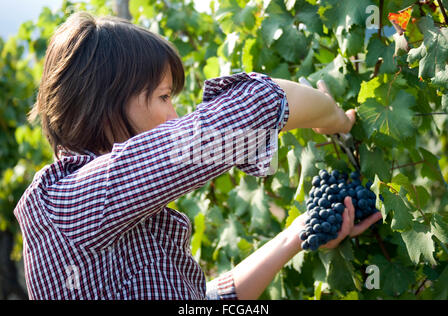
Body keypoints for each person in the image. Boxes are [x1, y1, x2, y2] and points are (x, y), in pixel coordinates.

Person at [14, 12, 382, 300]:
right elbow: (257, 107)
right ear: (107, 107)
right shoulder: (68, 203)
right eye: (163, 96)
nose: (174, 114)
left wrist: (296, 234)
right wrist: (332, 117)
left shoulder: (105, 217)